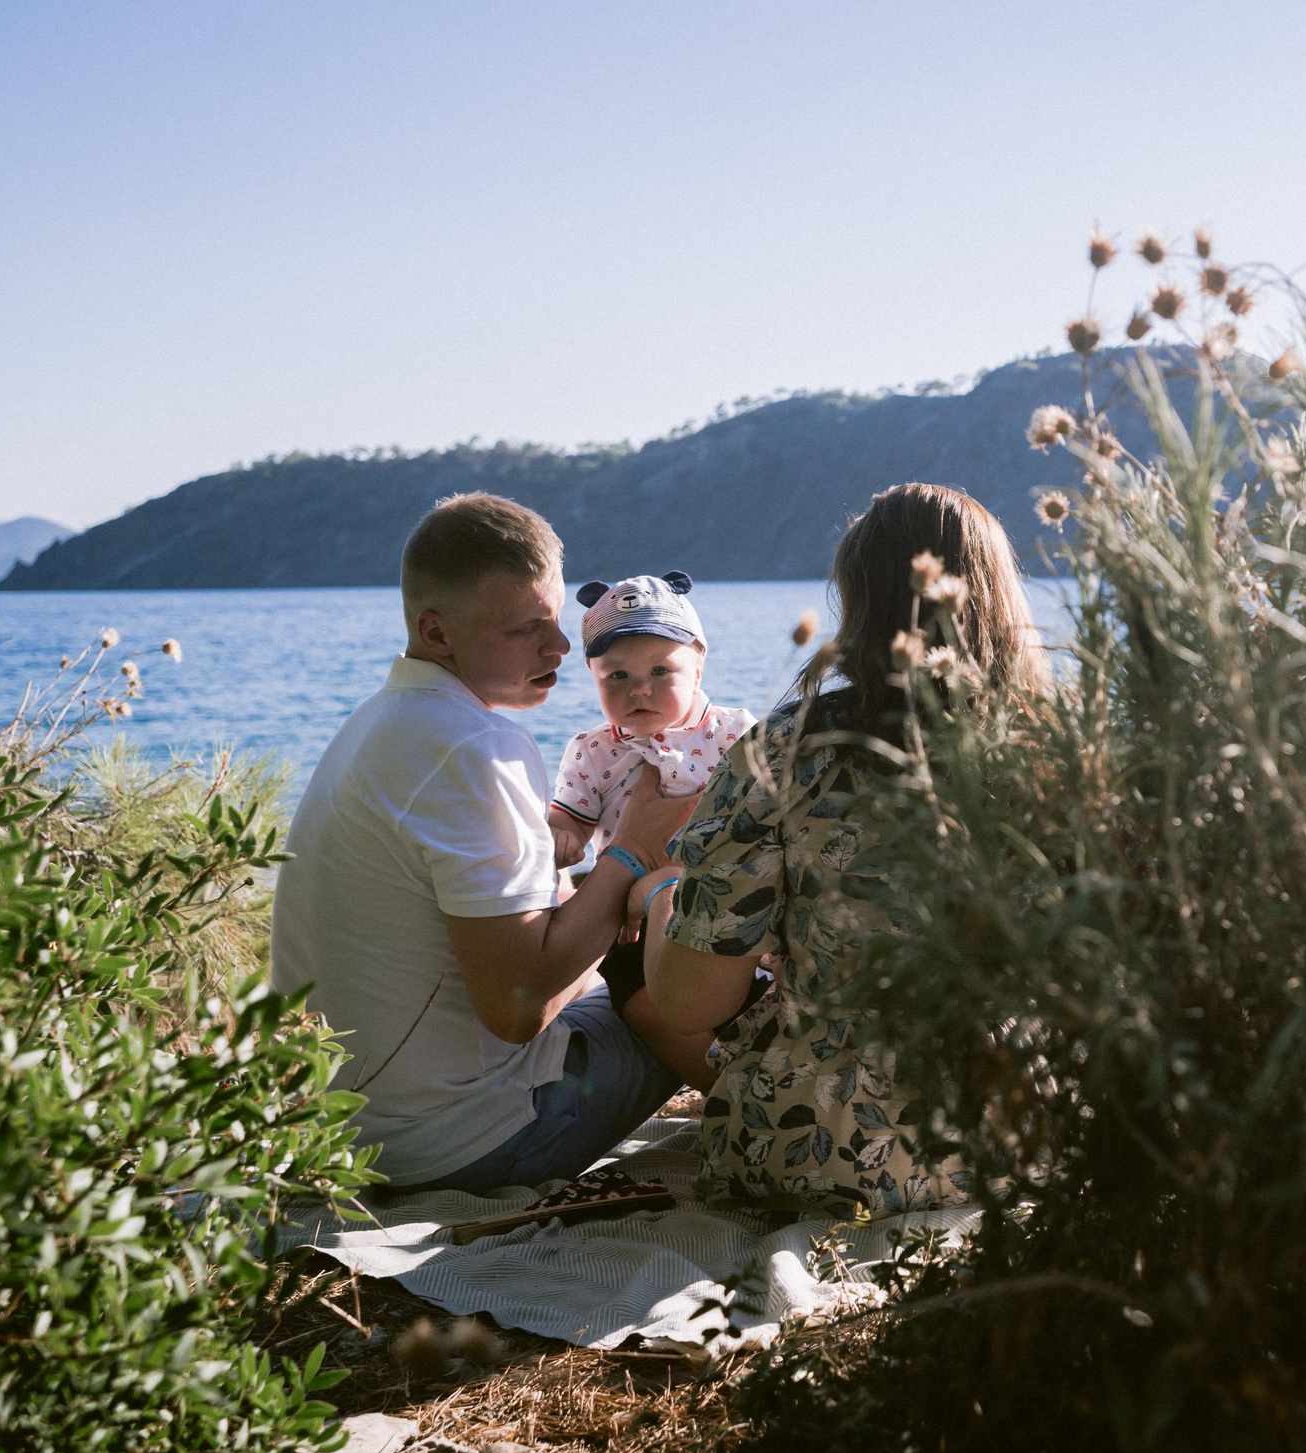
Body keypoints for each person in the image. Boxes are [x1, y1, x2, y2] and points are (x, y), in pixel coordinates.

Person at [630, 482, 1050, 1215]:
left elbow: (692, 1001)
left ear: (859, 605)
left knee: (634, 979)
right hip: (1016, 1138)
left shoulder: (791, 750)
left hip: (818, 1149)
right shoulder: (1059, 753)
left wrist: (661, 891)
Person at [270, 493, 697, 1193]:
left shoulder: (389, 719)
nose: (562, 648)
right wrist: (633, 851)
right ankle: (795, 1136)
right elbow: (519, 1006)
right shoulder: (471, 745)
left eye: (557, 620)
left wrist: (598, 900)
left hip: (344, 1135)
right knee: (680, 984)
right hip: (457, 1146)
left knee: (621, 953)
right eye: (528, 629)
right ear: (438, 633)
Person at [546, 571, 755, 1082]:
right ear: (592, 675)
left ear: (699, 666)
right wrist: (561, 833)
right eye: (616, 676)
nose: (640, 689)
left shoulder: (735, 732)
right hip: (630, 921)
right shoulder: (592, 749)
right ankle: (730, 1103)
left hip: (732, 902)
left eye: (661, 671)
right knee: (646, 1013)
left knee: (756, 1003)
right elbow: (569, 814)